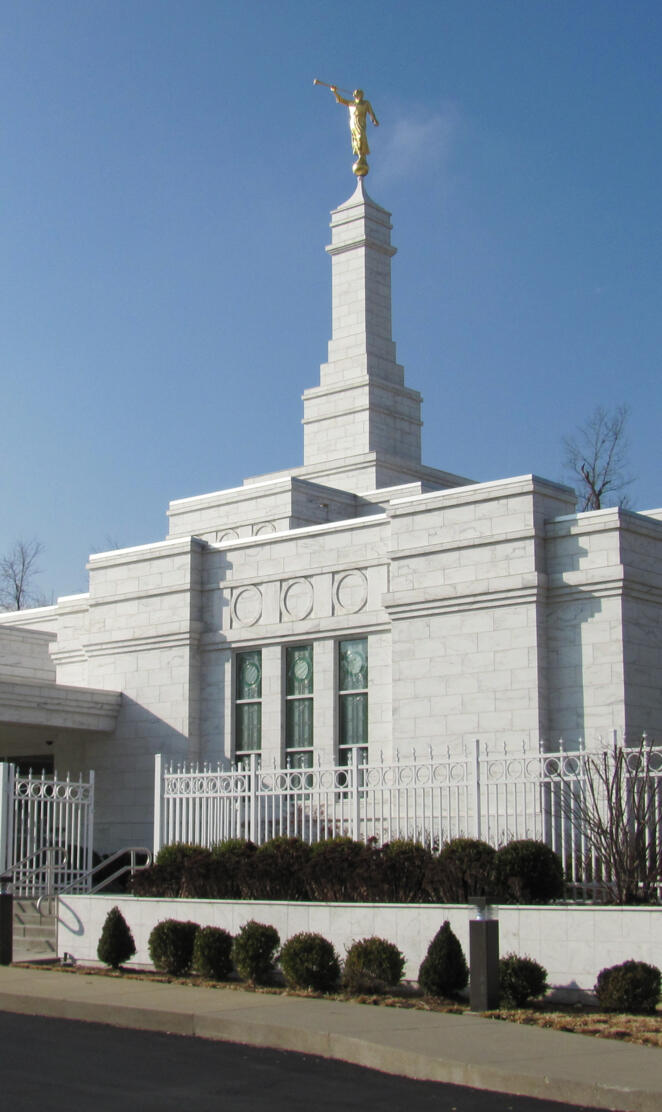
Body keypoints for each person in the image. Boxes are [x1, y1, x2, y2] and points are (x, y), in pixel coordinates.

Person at [330, 87, 379, 174]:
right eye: (358, 94)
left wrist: (374, 119)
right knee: (356, 139)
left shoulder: (365, 103)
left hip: (361, 122)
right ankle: (360, 155)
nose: (359, 96)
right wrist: (335, 92)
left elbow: (371, 112)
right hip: (353, 122)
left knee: (361, 137)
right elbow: (340, 100)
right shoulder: (351, 103)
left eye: (360, 95)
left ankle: (362, 156)